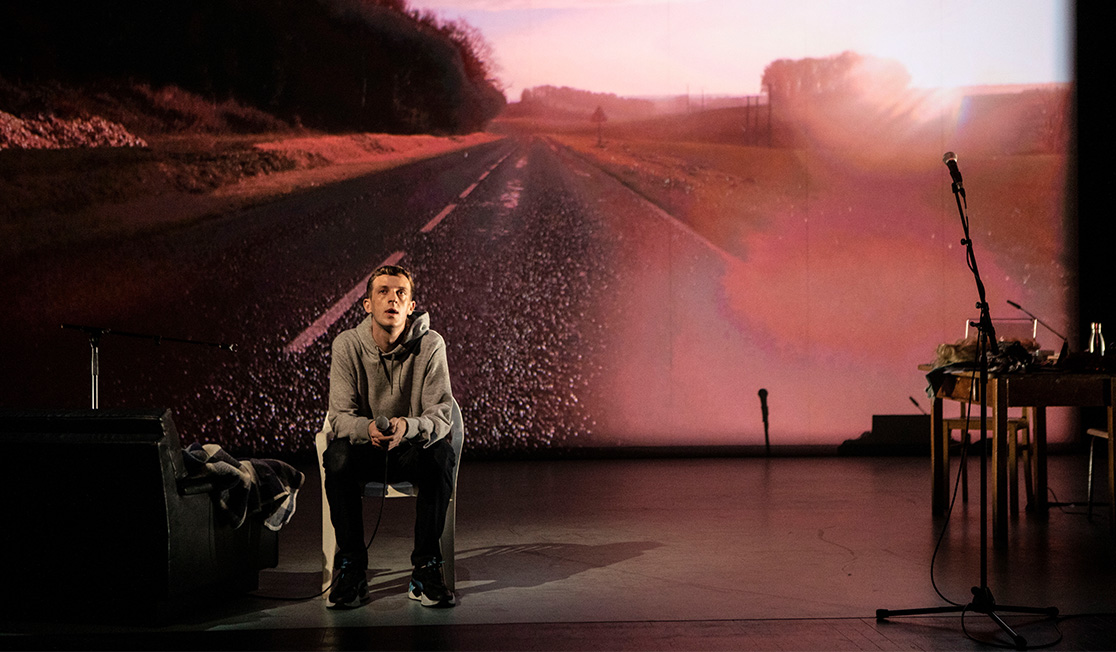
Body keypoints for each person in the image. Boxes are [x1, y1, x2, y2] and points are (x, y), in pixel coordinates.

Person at [322, 264, 457, 609]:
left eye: (401, 293)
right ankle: (351, 568)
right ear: (367, 304)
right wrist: (366, 430)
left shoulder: (431, 345)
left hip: (408, 449)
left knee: (440, 454)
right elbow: (338, 417)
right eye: (382, 292)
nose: (392, 299)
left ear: (411, 307)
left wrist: (406, 428)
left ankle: (426, 567)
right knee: (337, 454)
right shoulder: (347, 345)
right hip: (367, 451)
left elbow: (441, 415)